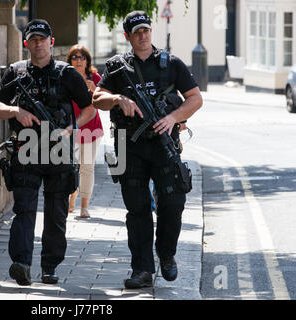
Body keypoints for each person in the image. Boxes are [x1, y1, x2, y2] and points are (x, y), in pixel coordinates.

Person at [93, 11, 203, 289]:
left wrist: (173, 118)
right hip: (130, 147)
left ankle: (166, 254)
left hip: (164, 146)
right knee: (137, 209)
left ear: (151, 31)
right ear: (127, 36)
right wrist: (118, 99)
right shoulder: (117, 67)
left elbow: (195, 98)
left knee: (173, 203)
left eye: (146, 30)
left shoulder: (171, 64)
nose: (142, 36)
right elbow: (96, 98)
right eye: (136, 32)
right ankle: (141, 269)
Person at [0, 19, 96, 286]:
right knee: (24, 209)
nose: (38, 44)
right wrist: (16, 111)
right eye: (33, 39)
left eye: (42, 39)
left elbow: (89, 109)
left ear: (51, 41)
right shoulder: (15, 73)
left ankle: (49, 267)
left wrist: (71, 129)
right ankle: (22, 264)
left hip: (58, 150)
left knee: (56, 212)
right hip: (26, 149)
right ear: (27, 43)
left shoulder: (67, 73)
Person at [66, 44, 104, 219]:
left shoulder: (95, 77)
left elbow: (105, 103)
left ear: (87, 60)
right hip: (70, 128)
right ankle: (71, 196)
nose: (78, 60)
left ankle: (84, 207)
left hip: (91, 127)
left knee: (87, 168)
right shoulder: (64, 75)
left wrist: (94, 90)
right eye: (75, 57)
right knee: (70, 167)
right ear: (70, 60)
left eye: (82, 57)